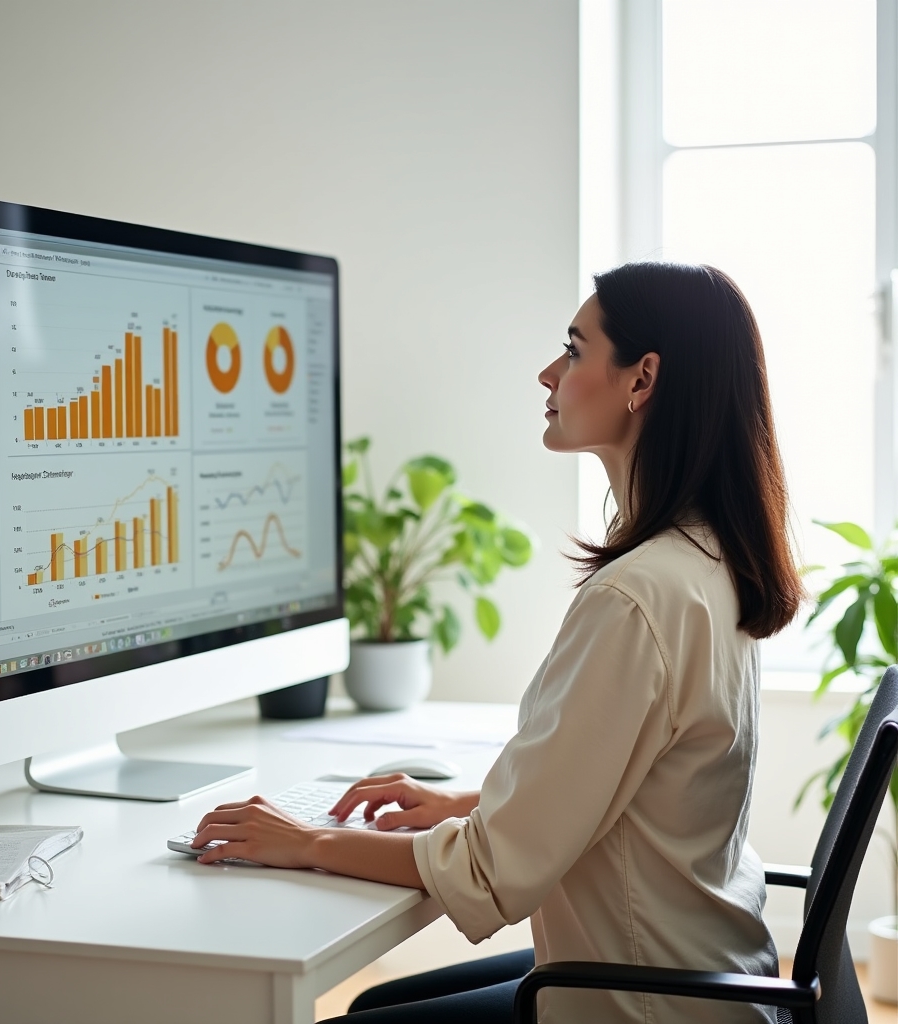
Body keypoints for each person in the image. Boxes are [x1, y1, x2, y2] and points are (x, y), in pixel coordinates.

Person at [191, 262, 804, 1023]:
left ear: (641, 379)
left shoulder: (636, 597)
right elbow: (633, 782)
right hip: (705, 973)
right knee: (382, 1000)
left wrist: (306, 842)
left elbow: (489, 874)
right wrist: (470, 802)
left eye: (574, 351)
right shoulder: (707, 560)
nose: (549, 373)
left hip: (648, 1004)